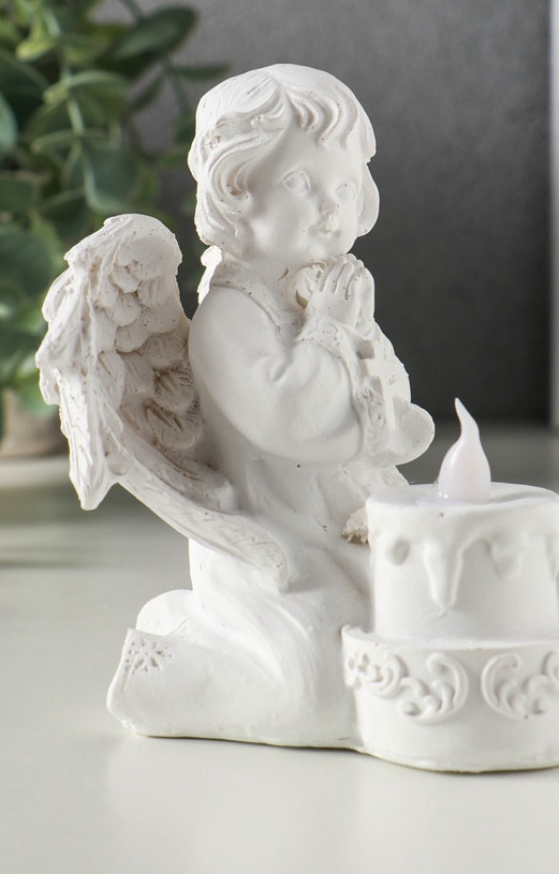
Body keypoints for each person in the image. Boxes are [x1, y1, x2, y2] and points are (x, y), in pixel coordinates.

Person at [107, 66, 433, 744]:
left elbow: (392, 401)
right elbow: (295, 423)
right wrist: (333, 327)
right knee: (319, 681)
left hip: (342, 514)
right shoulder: (229, 317)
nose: (331, 208)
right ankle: (167, 664)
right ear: (235, 190)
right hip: (270, 540)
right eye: (302, 184)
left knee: (424, 613)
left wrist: (354, 336)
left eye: (345, 188)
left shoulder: (317, 293)